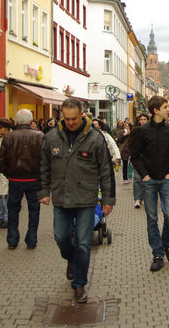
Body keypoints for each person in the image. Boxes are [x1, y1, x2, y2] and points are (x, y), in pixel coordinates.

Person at [38, 98, 115, 303]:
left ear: (82, 114)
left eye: (74, 119)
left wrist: (108, 199)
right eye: (66, 118)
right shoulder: (51, 137)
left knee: (84, 242)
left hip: (86, 199)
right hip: (61, 198)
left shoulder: (95, 137)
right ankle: (71, 259)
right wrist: (43, 191)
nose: (70, 123)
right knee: (61, 237)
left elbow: (106, 170)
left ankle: (79, 284)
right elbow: (44, 166)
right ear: (61, 115)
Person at [130, 96, 169, 272]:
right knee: (152, 218)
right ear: (156, 110)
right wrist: (144, 175)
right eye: (165, 107)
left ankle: (167, 245)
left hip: (166, 180)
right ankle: (157, 253)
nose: (168, 109)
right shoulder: (142, 131)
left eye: (167, 106)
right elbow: (135, 156)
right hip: (150, 182)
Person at [0, 109, 44, 250]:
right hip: (34, 179)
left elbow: (1, 159)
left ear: (17, 121)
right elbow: (45, 159)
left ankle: (12, 240)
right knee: (34, 210)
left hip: (15, 179)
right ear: (31, 121)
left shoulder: (9, 137)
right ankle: (31, 240)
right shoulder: (39, 136)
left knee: (13, 209)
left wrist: (8, 173)